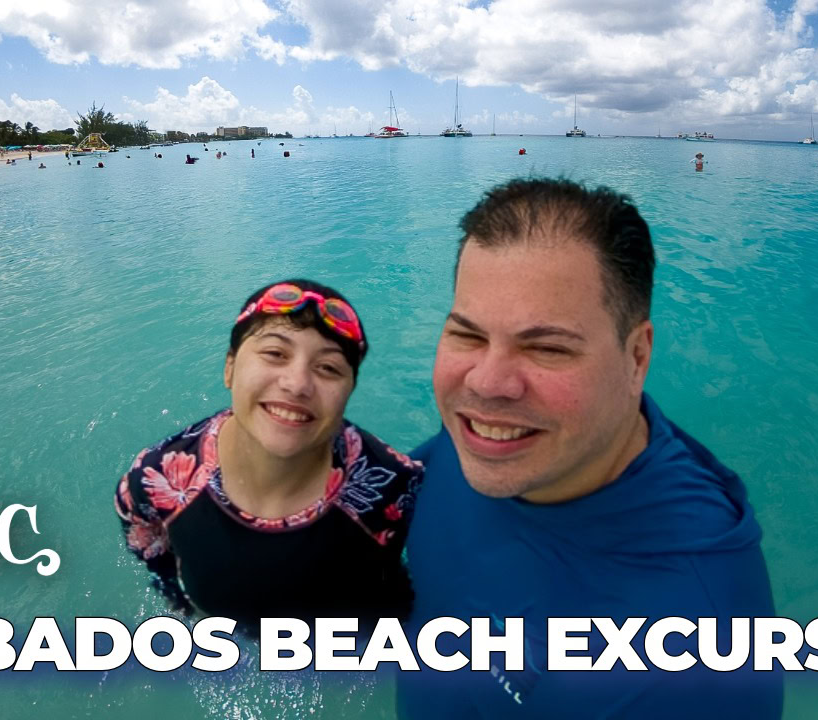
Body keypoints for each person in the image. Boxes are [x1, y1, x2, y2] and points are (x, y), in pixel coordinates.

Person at [398, 178, 780, 719]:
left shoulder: (694, 664)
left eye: (547, 348)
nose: (486, 383)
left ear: (636, 357)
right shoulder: (488, 439)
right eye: (468, 335)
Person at [114, 280, 422, 631]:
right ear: (229, 367)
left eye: (328, 368)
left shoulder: (394, 488)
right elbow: (153, 557)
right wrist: (181, 606)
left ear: (349, 391)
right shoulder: (157, 480)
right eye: (275, 354)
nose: (297, 384)